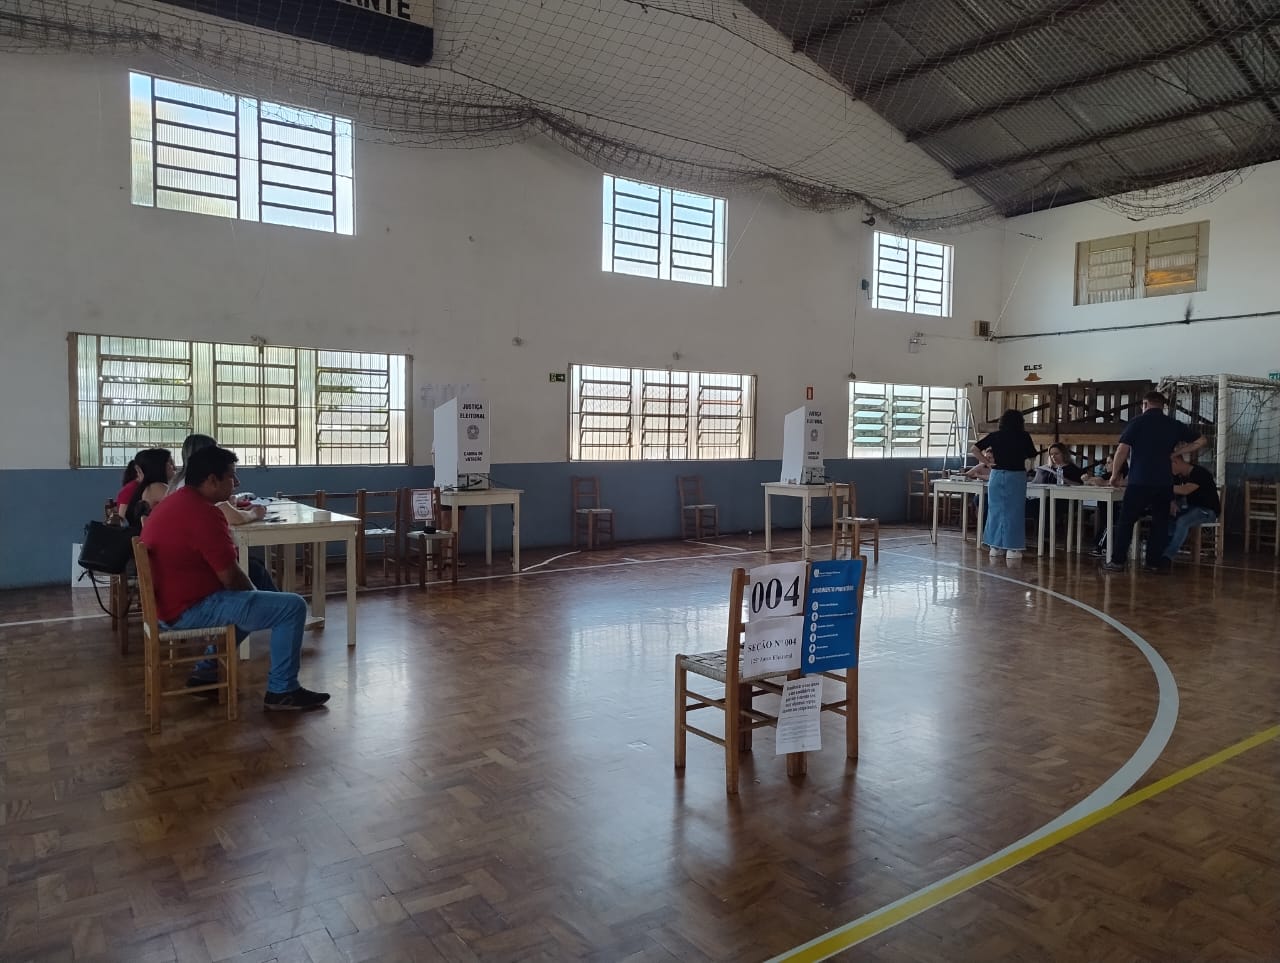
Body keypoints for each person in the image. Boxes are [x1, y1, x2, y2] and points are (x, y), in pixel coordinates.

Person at [141, 445, 329, 711]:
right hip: (187, 609)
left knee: (245, 603)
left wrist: (253, 598)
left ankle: (207, 671)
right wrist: (258, 597)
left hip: (169, 605)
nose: (237, 482)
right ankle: (282, 690)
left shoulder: (174, 502)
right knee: (291, 606)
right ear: (212, 480)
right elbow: (230, 577)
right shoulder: (204, 514)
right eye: (232, 476)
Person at [1103, 391, 1205, 574]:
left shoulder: (1137, 422)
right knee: (1160, 523)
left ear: (1145, 404)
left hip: (1139, 481)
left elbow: (1122, 450)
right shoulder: (1173, 424)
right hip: (1164, 482)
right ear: (1163, 405)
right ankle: (1153, 563)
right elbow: (1201, 440)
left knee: (1126, 521)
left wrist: (1115, 474)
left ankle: (1118, 562)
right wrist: (1176, 452)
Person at [973, 409, 1037, 560]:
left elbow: (974, 449)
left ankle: (995, 547)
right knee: (1014, 512)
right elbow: (1032, 455)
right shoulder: (1024, 436)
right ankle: (1013, 548)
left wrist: (987, 462)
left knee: (995, 511)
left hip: (996, 475)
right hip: (1016, 476)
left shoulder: (995, 435)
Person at [1162, 455, 1220, 563]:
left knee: (1183, 521)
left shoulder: (1200, 473)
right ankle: (1162, 550)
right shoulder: (1178, 475)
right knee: (1169, 518)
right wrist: (1172, 502)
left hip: (1207, 510)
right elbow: (1174, 492)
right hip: (1191, 508)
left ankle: (1168, 556)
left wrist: (1161, 486)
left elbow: (1185, 490)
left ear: (1175, 462)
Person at [123, 448, 176, 528]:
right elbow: (181, 508)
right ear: (159, 467)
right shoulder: (157, 487)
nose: (174, 467)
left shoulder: (146, 488)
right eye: (170, 463)